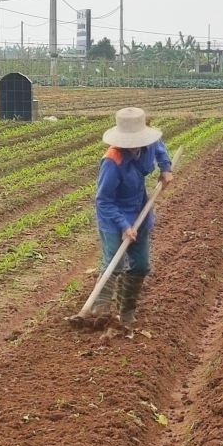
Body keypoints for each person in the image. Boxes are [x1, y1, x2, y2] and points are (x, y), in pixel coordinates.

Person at [91, 107, 173, 334]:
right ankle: (99, 312)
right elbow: (104, 201)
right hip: (113, 216)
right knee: (113, 264)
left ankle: (126, 311)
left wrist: (166, 168)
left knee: (141, 264)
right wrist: (124, 226)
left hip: (139, 209)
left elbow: (159, 147)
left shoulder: (148, 145)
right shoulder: (112, 162)